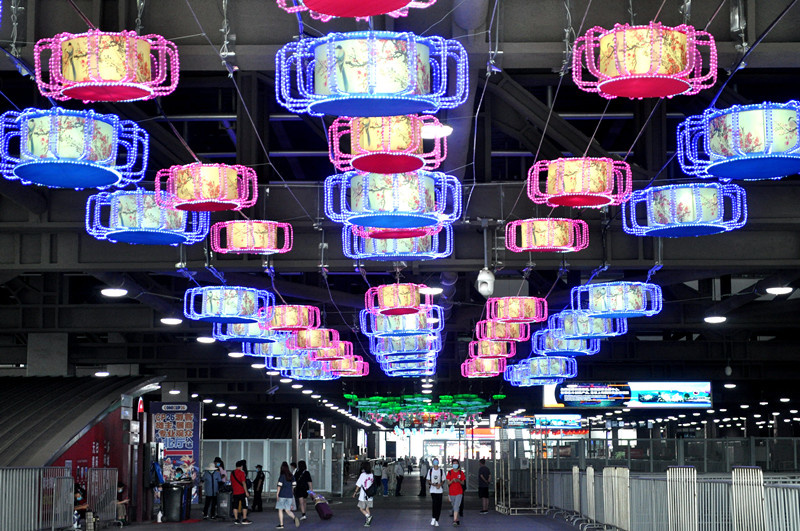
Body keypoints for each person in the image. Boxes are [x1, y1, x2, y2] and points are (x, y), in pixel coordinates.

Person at [275, 461, 300, 529]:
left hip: (282, 495)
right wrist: (291, 493)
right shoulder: (291, 476)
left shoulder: (282, 476)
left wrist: (277, 494)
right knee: (287, 510)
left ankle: (281, 525)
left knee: (280, 510)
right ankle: (294, 517)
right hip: (289, 495)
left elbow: (279, 486)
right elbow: (294, 486)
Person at [230, 459, 252, 525]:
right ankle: (244, 519)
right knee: (244, 505)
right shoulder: (242, 473)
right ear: (241, 466)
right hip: (242, 492)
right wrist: (246, 492)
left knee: (235, 506)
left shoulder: (232, 473)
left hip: (235, 492)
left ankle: (236, 519)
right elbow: (243, 483)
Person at [354, 461, 374, 527]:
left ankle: (368, 517)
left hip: (363, 495)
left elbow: (358, 485)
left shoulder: (362, 475)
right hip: (370, 495)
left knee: (361, 508)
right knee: (367, 508)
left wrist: (355, 492)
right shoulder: (371, 474)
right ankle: (368, 522)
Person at [447, 459, 466, 526]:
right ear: (452, 464)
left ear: (458, 465)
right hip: (452, 492)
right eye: (454, 463)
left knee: (456, 505)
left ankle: (454, 520)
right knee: (454, 506)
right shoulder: (449, 472)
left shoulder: (461, 473)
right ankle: (457, 518)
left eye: (456, 463)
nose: (455, 465)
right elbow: (448, 483)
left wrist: (458, 481)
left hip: (459, 492)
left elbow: (463, 483)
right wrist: (452, 480)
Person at [426, 458, 444, 527]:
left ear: (438, 462)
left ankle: (437, 520)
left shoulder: (441, 471)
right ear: (433, 463)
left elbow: (443, 480)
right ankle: (433, 517)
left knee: (439, 505)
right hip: (433, 490)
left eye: (437, 461)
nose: (436, 462)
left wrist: (440, 484)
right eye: (434, 461)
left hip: (440, 490)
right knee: (435, 503)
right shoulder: (430, 471)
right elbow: (428, 479)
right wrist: (432, 484)